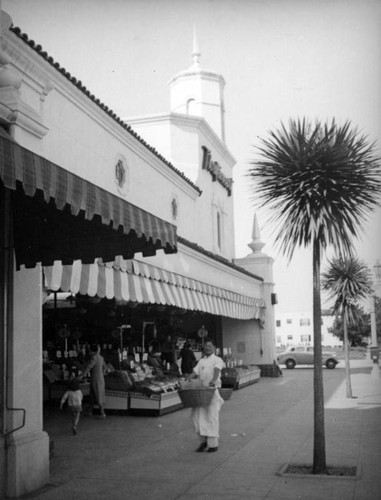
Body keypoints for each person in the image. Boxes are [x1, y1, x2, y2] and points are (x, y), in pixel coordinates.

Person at [186, 338, 225, 453]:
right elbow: (195, 372)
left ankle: (213, 444)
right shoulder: (201, 361)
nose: (207, 348)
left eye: (210, 345)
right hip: (200, 392)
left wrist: (213, 380)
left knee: (211, 416)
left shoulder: (218, 360)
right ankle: (203, 441)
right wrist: (187, 378)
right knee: (196, 416)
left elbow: (217, 371)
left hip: (212, 392)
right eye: (206, 346)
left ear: (213, 348)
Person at [80, 343, 107, 418]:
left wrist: (82, 375)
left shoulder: (94, 358)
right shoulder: (101, 357)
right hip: (100, 379)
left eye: (90, 351)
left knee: (98, 396)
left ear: (92, 351)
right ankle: (90, 411)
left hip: (96, 380)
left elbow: (88, 367)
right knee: (92, 396)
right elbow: (105, 368)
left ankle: (102, 414)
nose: (89, 353)